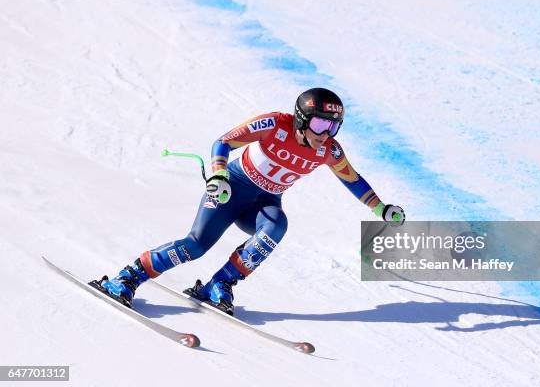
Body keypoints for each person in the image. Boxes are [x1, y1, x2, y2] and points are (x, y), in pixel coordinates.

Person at [96, 88, 405, 315]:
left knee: (276, 226)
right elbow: (224, 142)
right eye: (321, 125)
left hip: (263, 203)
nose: (327, 134)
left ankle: (220, 284)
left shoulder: (328, 151)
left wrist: (380, 208)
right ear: (302, 119)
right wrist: (217, 175)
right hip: (230, 192)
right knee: (196, 246)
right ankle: (127, 278)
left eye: (334, 127)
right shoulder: (274, 124)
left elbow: (352, 179)